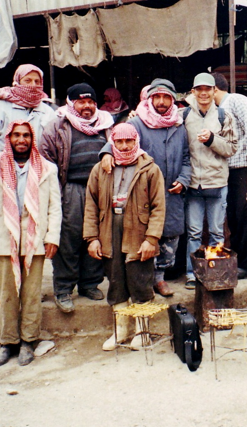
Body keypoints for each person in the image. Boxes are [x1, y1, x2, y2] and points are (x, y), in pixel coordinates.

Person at [0, 120, 61, 367]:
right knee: (7, 294)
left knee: (31, 294)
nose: (21, 140)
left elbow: (54, 207)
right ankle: (7, 343)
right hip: (3, 239)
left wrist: (52, 237)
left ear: (32, 140)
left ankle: (28, 341)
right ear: (8, 139)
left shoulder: (47, 169)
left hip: (34, 240)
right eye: (17, 135)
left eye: (26, 136)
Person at [100, 78, 190, 297]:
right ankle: (144, 281)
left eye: (166, 97)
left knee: (170, 237)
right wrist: (106, 153)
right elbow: (117, 140)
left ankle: (159, 279)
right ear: (150, 99)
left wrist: (183, 179)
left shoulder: (179, 126)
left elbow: (187, 158)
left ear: (172, 100)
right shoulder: (136, 123)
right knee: (144, 236)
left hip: (171, 193)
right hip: (142, 194)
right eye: (156, 97)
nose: (161, 102)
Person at [0, 64, 56, 307]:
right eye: (27, 80)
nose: (33, 85)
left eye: (37, 81)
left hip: (35, 177)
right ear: (17, 81)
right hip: (1, 179)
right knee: (2, 234)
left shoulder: (47, 110)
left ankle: (30, 288)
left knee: (31, 233)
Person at [84, 123, 166, 351]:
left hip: (138, 234)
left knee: (140, 281)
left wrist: (151, 239)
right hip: (109, 232)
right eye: (119, 141)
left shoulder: (149, 169)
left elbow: (159, 207)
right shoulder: (100, 169)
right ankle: (120, 331)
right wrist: (92, 238)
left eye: (129, 141)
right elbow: (91, 204)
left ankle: (142, 331)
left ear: (136, 141)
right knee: (116, 281)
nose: (124, 146)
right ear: (112, 143)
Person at [39, 83, 114, 313]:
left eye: (91, 102)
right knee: (68, 239)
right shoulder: (57, 125)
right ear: (71, 103)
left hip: (99, 190)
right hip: (70, 188)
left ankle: (89, 284)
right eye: (81, 102)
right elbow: (45, 157)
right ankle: (63, 288)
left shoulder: (106, 124)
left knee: (96, 235)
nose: (87, 106)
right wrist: (56, 192)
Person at [182, 73, 238, 289]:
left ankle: (215, 271)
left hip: (217, 182)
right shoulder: (184, 115)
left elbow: (231, 148)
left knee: (216, 232)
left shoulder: (224, 116)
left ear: (214, 91)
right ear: (193, 92)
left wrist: (213, 140)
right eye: (199, 89)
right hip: (193, 182)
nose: (204, 93)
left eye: (208, 89)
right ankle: (192, 273)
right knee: (194, 232)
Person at [211, 72, 247, 280]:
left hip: (244, 167)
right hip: (228, 169)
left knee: (244, 214)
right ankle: (243, 259)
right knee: (233, 216)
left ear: (214, 89)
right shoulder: (216, 109)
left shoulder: (236, 100)